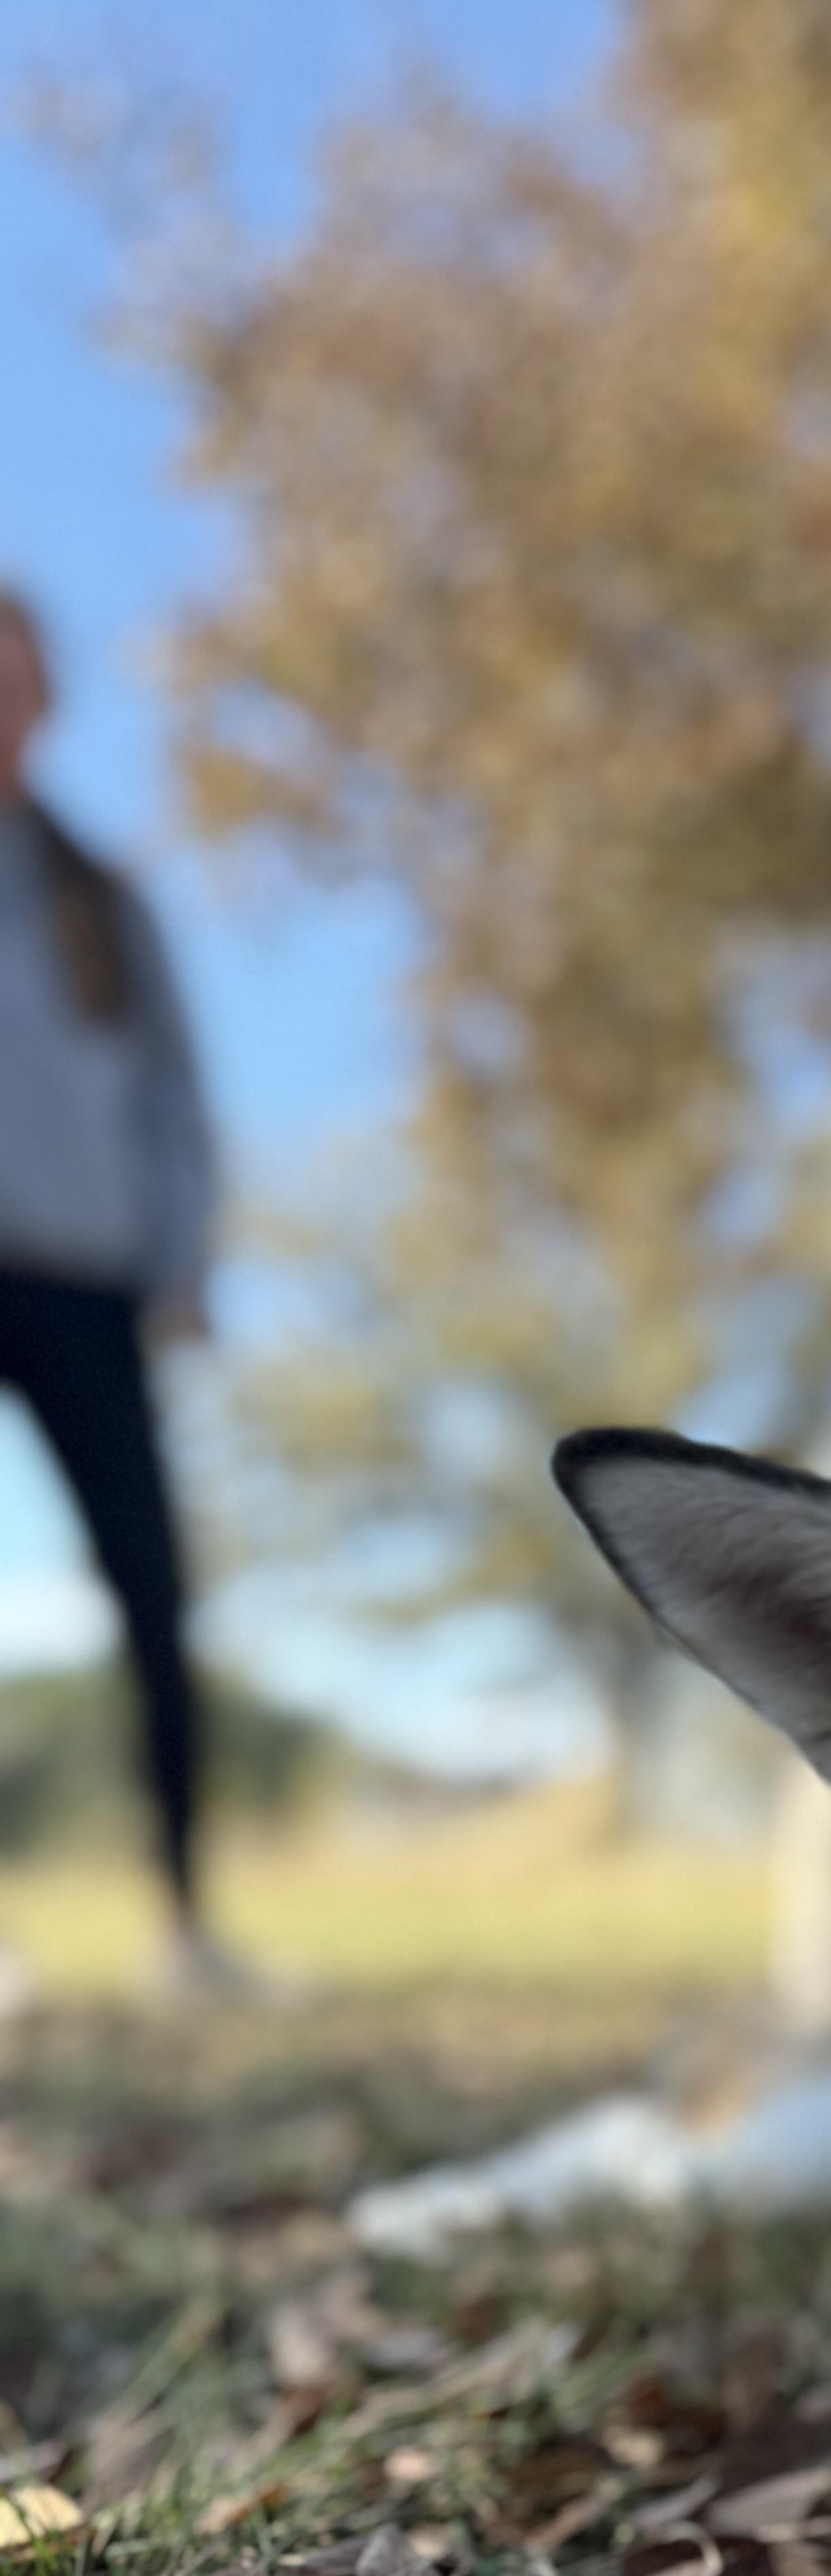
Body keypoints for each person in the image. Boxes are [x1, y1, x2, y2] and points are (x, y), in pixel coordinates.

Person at [0, 583, 232, 1992]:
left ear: (47, 697)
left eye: (13, 672)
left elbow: (176, 1097)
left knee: (152, 1587)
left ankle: (185, 1923)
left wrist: (184, 1259)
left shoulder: (103, 898)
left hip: (87, 1279)